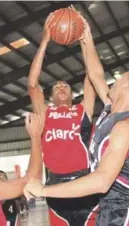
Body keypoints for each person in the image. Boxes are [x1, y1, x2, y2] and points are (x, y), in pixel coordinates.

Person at [24, 22, 129, 225]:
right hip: (107, 207)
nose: (112, 81)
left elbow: (101, 181)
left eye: (118, 78)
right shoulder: (110, 109)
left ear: (126, 86)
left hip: (125, 213)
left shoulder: (126, 127)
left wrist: (43, 190)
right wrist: (86, 37)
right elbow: (95, 74)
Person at [26, 8, 101, 226]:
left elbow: (92, 76)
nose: (62, 86)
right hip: (56, 187)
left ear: (71, 94)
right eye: (57, 86)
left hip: (86, 183)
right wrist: (45, 40)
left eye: (66, 85)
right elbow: (32, 84)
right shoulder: (45, 113)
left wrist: (84, 40)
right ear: (50, 96)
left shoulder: (81, 110)